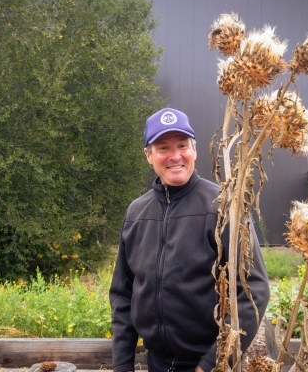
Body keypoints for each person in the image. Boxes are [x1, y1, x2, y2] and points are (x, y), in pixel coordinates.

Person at [109, 107, 270, 372]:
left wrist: (212, 363)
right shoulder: (136, 214)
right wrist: (122, 366)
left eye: (182, 145)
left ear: (194, 150)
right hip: (157, 363)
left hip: (207, 365)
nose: (175, 156)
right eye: (163, 148)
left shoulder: (223, 207)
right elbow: (122, 296)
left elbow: (254, 291)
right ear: (149, 156)